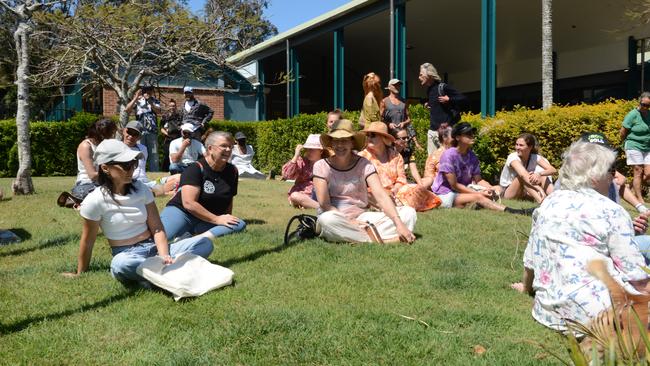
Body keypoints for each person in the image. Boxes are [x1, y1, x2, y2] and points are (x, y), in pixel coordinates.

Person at [512, 140, 649, 333]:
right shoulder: (612, 211)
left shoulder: (549, 203)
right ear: (594, 177)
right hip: (599, 318)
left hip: (549, 314)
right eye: (610, 170)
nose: (614, 178)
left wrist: (526, 288)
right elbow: (637, 276)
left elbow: (531, 260)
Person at [62, 139, 213, 287]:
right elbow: (88, 241)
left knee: (205, 244)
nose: (132, 169)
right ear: (105, 168)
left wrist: (163, 255)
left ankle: (156, 273)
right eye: (125, 165)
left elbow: (157, 228)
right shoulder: (94, 200)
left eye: (133, 164)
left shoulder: (141, 189)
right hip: (128, 255)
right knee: (120, 265)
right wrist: (80, 272)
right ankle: (169, 271)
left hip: (154, 247)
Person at [313, 119, 417, 244]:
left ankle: (358, 237)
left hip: (362, 217)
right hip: (336, 217)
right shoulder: (321, 166)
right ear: (331, 143)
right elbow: (325, 204)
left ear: (352, 143)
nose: (340, 145)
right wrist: (349, 221)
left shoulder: (364, 164)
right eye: (336, 141)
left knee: (408, 213)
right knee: (327, 220)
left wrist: (398, 223)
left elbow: (381, 195)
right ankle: (381, 240)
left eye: (344, 140)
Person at [160, 131, 246, 240]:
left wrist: (226, 218)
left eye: (230, 147)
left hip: (208, 218)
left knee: (239, 224)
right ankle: (189, 233)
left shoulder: (233, 171)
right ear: (210, 148)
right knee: (161, 238)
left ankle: (196, 239)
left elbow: (229, 199)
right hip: (183, 213)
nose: (228, 150)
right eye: (224, 146)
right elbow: (189, 203)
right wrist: (217, 220)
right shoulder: (195, 168)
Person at [431, 122, 532, 214]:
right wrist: (478, 192)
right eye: (468, 134)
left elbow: (478, 180)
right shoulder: (448, 155)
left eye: (472, 133)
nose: (472, 136)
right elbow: (454, 185)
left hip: (462, 191)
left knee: (498, 189)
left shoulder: (472, 156)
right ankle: (514, 211)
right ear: (457, 137)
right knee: (479, 196)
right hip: (445, 193)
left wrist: (490, 188)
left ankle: (474, 203)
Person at [359, 122, 440, 212]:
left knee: (414, 188)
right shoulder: (362, 156)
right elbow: (360, 183)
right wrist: (383, 192)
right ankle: (395, 205)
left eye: (373, 135)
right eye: (368, 135)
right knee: (369, 194)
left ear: (384, 138)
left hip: (396, 192)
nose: (369, 138)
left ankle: (394, 205)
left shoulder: (396, 155)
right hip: (374, 192)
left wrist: (395, 188)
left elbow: (401, 177)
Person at [122, 121, 180, 196]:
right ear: (123, 131)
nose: (131, 136)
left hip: (147, 183)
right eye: (129, 132)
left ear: (139, 137)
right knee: (139, 189)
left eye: (135, 134)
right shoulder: (118, 148)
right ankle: (163, 192)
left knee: (179, 177)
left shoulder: (143, 148)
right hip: (132, 183)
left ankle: (158, 191)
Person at [418, 63, 466, 155]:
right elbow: (437, 105)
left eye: (421, 74)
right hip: (432, 132)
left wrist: (449, 99)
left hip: (444, 133)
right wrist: (429, 104)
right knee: (432, 161)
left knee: (447, 160)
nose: (419, 77)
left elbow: (463, 98)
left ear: (429, 75)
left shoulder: (443, 87)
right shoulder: (429, 90)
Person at [499, 133, 556, 203]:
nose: (517, 148)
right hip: (508, 192)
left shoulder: (535, 157)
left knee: (542, 177)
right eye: (516, 144)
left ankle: (555, 198)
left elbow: (553, 170)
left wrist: (539, 174)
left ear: (530, 147)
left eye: (521, 145)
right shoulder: (513, 157)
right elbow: (523, 175)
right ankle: (541, 201)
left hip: (525, 191)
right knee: (522, 177)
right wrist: (539, 189)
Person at [71, 118, 117, 200]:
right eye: (111, 133)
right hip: (86, 184)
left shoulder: (104, 145)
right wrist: (114, 171)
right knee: (106, 196)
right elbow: (92, 175)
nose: (112, 137)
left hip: (102, 183)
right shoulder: (86, 146)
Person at [281, 134, 328, 209]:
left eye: (312, 149)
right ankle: (321, 207)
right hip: (302, 194)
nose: (309, 152)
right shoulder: (302, 162)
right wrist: (296, 155)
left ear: (321, 151)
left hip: (321, 194)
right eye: (307, 149)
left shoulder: (326, 164)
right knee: (295, 196)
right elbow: (287, 175)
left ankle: (316, 205)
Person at [621, 92, 650, 202]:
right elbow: (623, 131)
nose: (645, 107)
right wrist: (624, 144)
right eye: (644, 105)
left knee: (648, 174)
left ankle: (631, 187)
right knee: (638, 171)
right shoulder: (632, 114)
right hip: (633, 145)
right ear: (639, 102)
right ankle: (639, 199)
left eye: (648, 106)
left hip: (647, 147)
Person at [125, 86, 161, 172]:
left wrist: (150, 102)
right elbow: (127, 109)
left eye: (150, 91)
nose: (148, 93)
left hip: (152, 131)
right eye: (146, 91)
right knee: (139, 152)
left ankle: (154, 173)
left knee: (154, 154)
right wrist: (135, 98)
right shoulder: (138, 101)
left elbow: (159, 111)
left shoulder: (155, 101)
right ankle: (138, 172)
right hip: (139, 132)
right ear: (143, 92)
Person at [381, 78, 423, 150]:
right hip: (389, 138)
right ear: (389, 87)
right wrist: (388, 124)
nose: (397, 87)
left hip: (403, 138)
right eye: (395, 85)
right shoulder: (384, 101)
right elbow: (380, 119)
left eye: (399, 85)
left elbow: (409, 120)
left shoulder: (404, 101)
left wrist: (404, 123)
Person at [161, 99, 183, 172]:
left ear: (176, 106)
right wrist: (167, 134)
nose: (172, 107)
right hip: (168, 139)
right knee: (167, 155)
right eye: (170, 106)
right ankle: (164, 171)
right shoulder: (164, 116)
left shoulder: (179, 115)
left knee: (177, 155)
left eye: (173, 106)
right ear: (168, 107)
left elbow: (182, 126)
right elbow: (161, 128)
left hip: (178, 138)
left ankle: (176, 170)